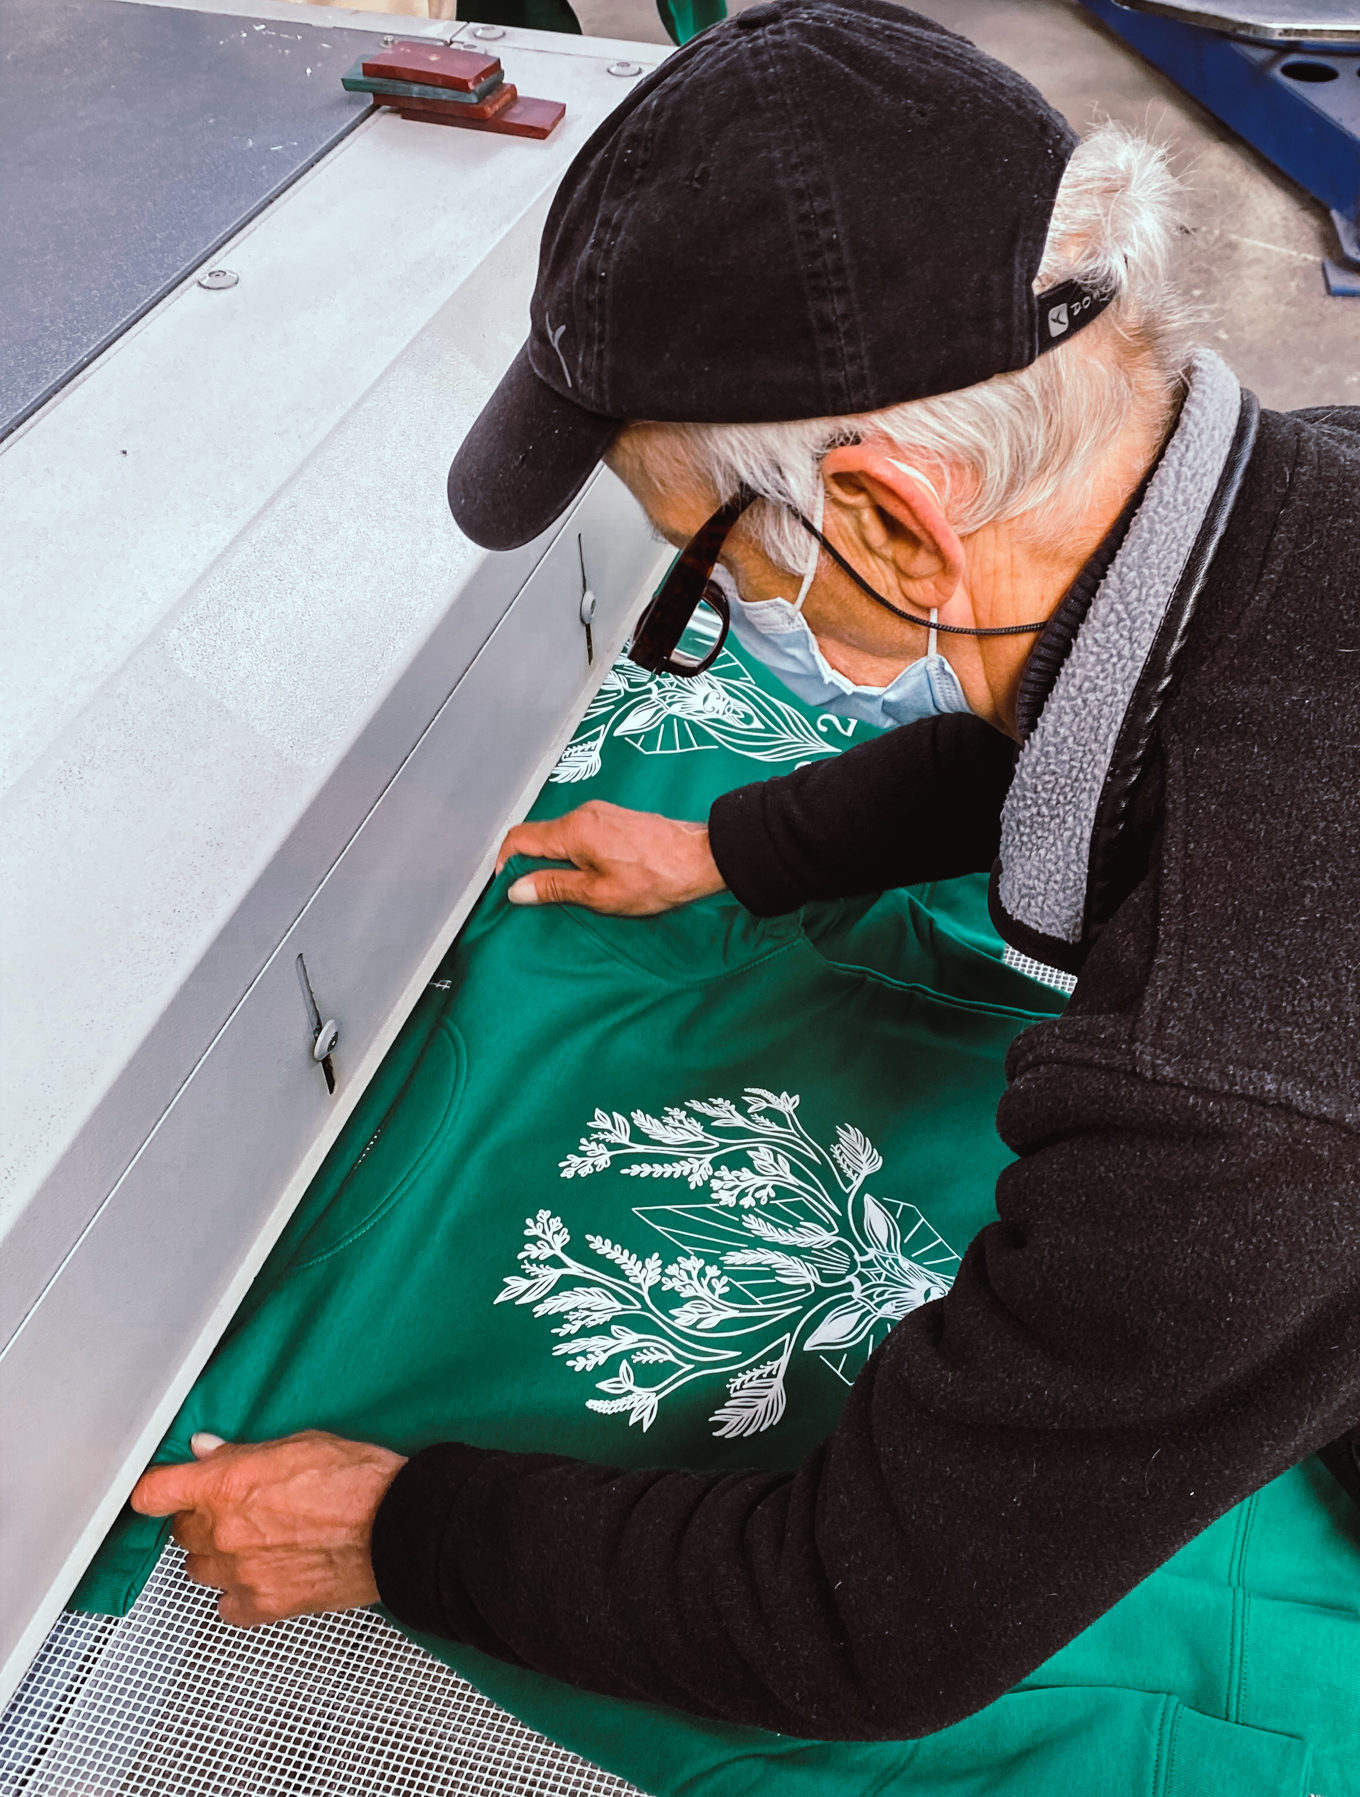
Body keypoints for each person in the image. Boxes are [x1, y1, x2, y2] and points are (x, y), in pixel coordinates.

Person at [131, 0, 1360, 1742]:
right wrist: (739, 841)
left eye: (694, 556)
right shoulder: (1312, 494)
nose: (732, 611)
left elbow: (864, 1627)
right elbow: (1107, 715)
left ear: (886, 521)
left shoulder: (1237, 1089)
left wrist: (393, 1528)